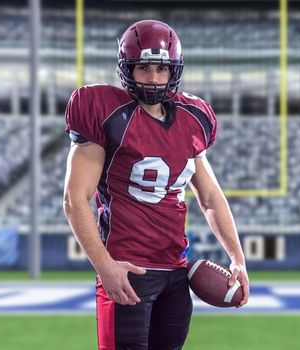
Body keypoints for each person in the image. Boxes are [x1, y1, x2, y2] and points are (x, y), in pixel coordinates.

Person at [62, 19, 249, 350]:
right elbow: (75, 198)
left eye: (161, 69)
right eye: (143, 68)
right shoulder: (106, 111)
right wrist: (105, 266)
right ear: (126, 70)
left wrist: (238, 258)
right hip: (127, 269)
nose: (153, 78)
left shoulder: (194, 118)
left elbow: (209, 197)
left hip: (175, 272)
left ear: (174, 70)